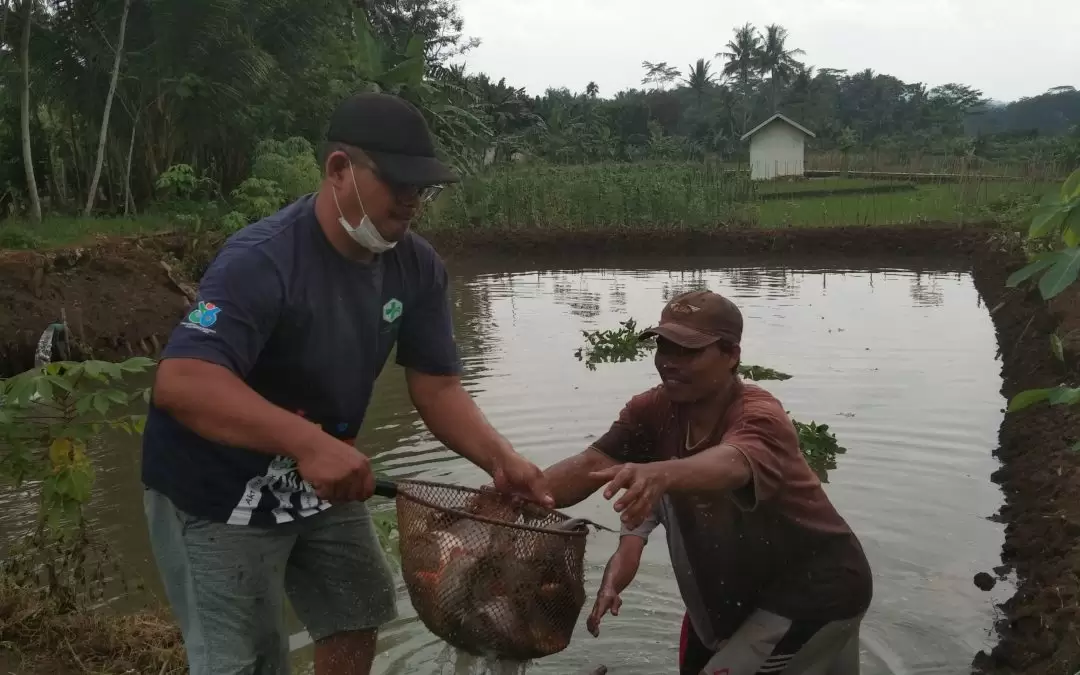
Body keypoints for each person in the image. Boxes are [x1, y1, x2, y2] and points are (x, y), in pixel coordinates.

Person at [141, 92, 553, 675]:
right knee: (245, 659)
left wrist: (500, 459)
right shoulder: (260, 260)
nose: (412, 199)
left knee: (358, 609)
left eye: (422, 187)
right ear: (339, 171)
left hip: (320, 480)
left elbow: (436, 385)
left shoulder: (416, 267)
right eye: (397, 182)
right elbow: (183, 382)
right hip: (214, 489)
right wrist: (308, 443)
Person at [544, 290, 872, 675]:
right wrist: (516, 492)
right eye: (664, 347)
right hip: (732, 599)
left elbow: (733, 463)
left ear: (731, 354)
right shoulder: (652, 412)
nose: (669, 363)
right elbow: (591, 464)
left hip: (817, 591)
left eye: (689, 351)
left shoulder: (759, 415)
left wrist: (661, 473)